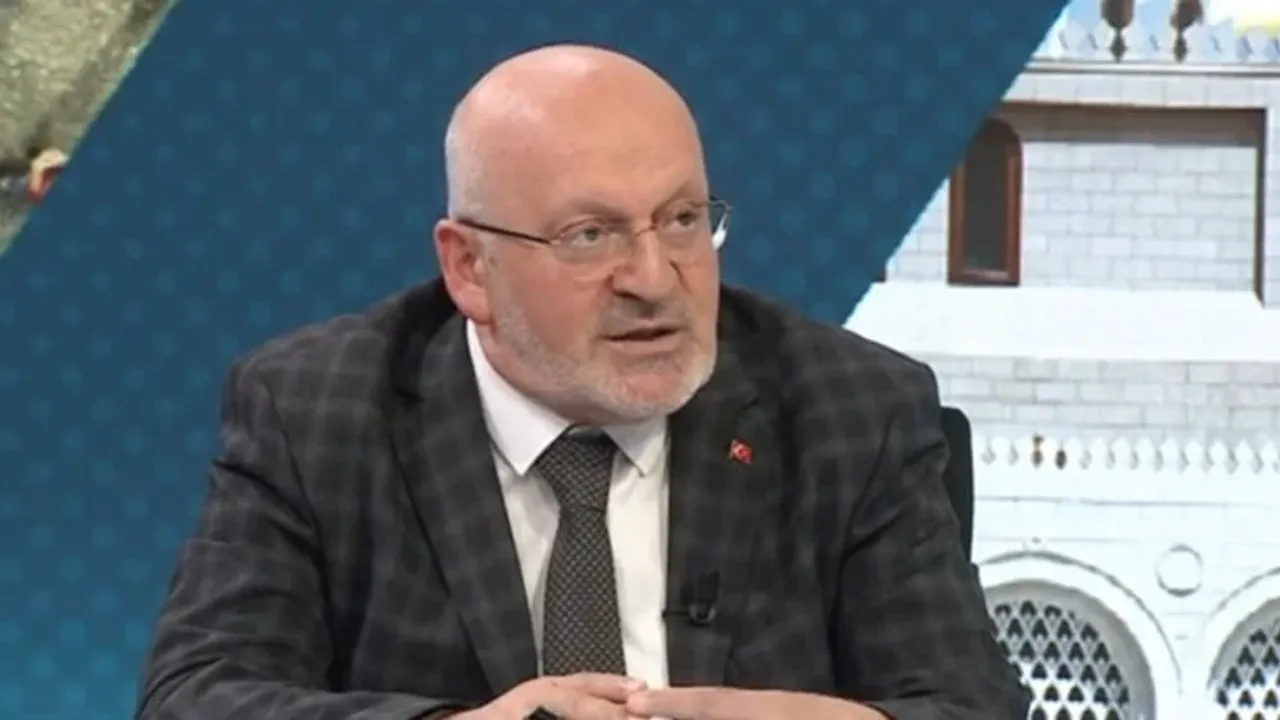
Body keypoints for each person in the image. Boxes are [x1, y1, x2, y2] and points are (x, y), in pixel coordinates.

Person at [136, 44, 1031, 720]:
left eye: (683, 220)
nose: (654, 277)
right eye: (589, 236)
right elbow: (196, 698)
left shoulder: (850, 411)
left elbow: (969, 705)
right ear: (470, 268)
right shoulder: (318, 413)